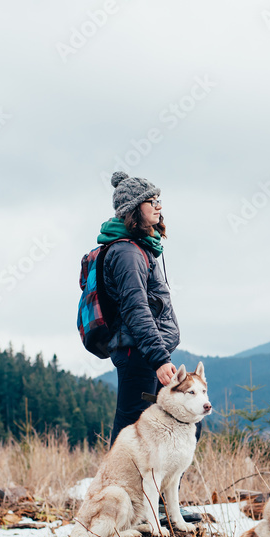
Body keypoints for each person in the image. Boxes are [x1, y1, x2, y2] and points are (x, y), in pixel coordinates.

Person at [99, 171, 202, 448]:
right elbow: (136, 309)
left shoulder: (140, 249)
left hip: (143, 352)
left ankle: (152, 492)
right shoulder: (127, 253)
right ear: (133, 209)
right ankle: (117, 489)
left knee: (180, 420)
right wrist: (158, 359)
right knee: (132, 431)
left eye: (159, 200)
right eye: (151, 201)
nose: (158, 206)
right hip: (139, 355)